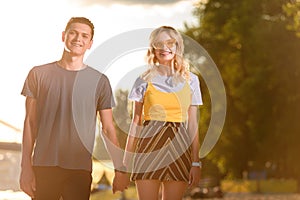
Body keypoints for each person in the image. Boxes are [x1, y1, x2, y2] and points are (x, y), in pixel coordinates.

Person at [19, 17, 129, 200]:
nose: (78, 38)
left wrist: (120, 169)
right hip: (44, 166)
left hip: (80, 169)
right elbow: (30, 123)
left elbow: (108, 129)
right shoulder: (38, 74)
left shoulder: (100, 81)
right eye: (73, 33)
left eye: (84, 36)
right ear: (64, 36)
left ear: (90, 43)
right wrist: (25, 168)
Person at [123, 26, 203, 200]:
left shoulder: (192, 80)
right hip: (148, 148)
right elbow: (136, 121)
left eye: (169, 43)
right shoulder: (142, 80)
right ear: (153, 48)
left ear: (177, 47)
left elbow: (193, 124)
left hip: (179, 149)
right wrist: (125, 161)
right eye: (159, 43)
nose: (164, 48)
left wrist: (196, 161)